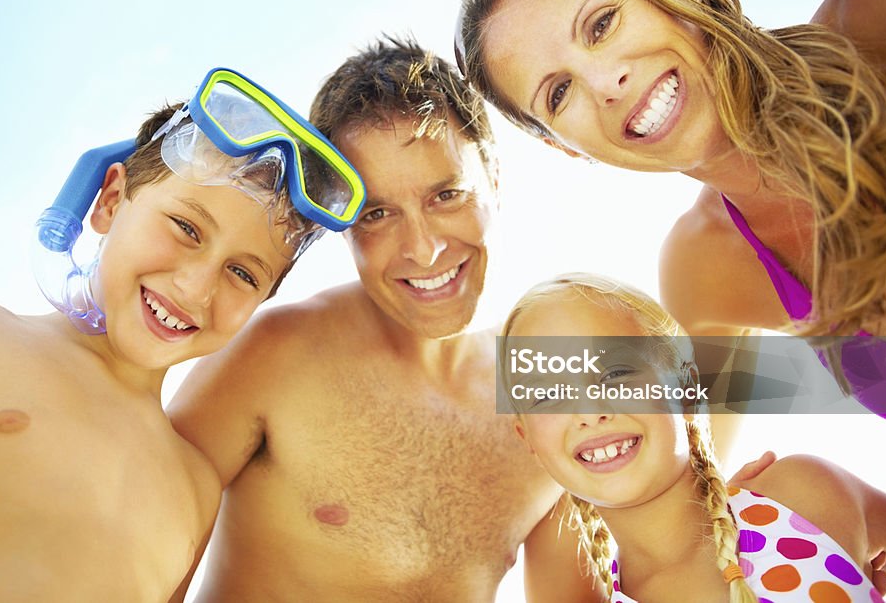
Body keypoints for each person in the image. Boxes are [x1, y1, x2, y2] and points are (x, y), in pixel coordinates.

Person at [0, 68, 363, 602]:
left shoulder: (195, 488)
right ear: (110, 201)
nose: (196, 287)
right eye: (186, 228)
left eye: (244, 274)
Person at [168, 37, 611, 603]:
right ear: (340, 221)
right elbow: (145, 551)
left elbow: (722, 377)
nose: (423, 250)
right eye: (378, 214)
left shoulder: (547, 388)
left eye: (447, 195)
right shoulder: (276, 353)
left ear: (494, 181)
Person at [455, 0, 886, 424]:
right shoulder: (705, 268)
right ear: (562, 146)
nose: (607, 83)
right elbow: (701, 470)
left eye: (602, 24)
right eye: (559, 93)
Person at [501, 272, 886, 602]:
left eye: (615, 374)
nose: (589, 412)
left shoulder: (800, 498)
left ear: (685, 383)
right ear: (528, 440)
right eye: (548, 395)